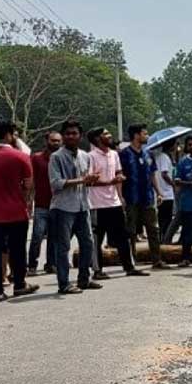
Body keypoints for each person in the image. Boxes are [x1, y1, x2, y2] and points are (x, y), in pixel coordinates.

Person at [0, 119, 39, 302]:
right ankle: (19, 284)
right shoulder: (20, 157)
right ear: (9, 134)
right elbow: (28, 185)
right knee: (17, 250)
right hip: (15, 212)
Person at [49, 120, 101, 294]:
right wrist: (82, 180)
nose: (71, 136)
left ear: (80, 136)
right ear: (63, 136)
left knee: (88, 243)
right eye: (68, 133)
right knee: (63, 247)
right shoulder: (56, 157)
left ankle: (84, 279)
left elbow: (86, 181)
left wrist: (91, 180)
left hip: (82, 205)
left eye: (74, 133)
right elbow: (56, 183)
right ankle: (63, 284)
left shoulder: (85, 156)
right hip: (63, 207)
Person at [87, 127, 146, 280]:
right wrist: (109, 181)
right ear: (97, 139)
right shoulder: (90, 157)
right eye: (105, 134)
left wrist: (120, 193)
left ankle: (129, 267)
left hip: (114, 202)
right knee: (97, 239)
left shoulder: (114, 154)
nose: (110, 135)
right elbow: (89, 181)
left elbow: (118, 172)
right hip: (97, 204)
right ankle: (97, 270)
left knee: (123, 237)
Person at [120, 124, 167, 268]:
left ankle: (156, 260)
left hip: (147, 197)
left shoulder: (149, 154)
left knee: (153, 229)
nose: (147, 136)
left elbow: (152, 174)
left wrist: (158, 192)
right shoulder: (123, 154)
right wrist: (120, 197)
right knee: (131, 231)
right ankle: (131, 261)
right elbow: (119, 175)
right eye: (145, 133)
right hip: (131, 197)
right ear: (136, 135)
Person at [28, 131, 61, 276]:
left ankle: (51, 264)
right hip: (41, 204)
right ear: (46, 141)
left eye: (58, 141)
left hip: (58, 204)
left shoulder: (62, 158)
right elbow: (31, 181)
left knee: (54, 237)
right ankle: (32, 265)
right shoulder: (36, 158)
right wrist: (29, 201)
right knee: (37, 236)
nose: (56, 143)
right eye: (53, 140)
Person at [173, 135, 192, 266]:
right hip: (187, 203)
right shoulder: (183, 162)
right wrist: (191, 184)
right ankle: (185, 258)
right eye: (190, 144)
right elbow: (177, 180)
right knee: (187, 232)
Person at [152, 140, 176, 252]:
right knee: (166, 219)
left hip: (160, 192)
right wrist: (173, 184)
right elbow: (164, 174)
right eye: (176, 144)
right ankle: (165, 239)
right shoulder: (165, 157)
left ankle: (162, 238)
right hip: (166, 193)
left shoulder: (158, 156)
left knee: (162, 218)